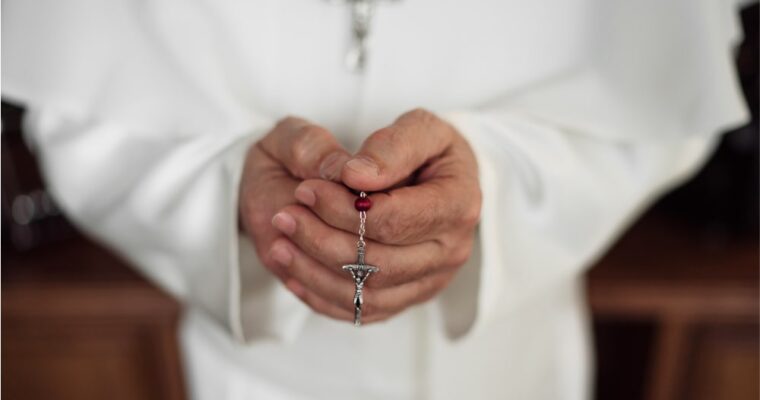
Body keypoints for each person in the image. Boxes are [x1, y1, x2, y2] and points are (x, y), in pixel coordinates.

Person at [2, 1, 749, 399]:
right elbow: (84, 116)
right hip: (252, 375)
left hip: (514, 367)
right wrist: (227, 190)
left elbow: (657, 106)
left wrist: (496, 181)